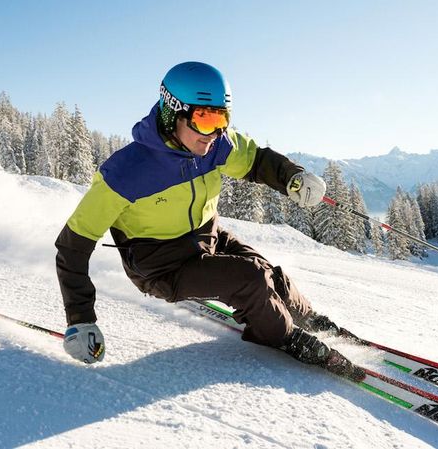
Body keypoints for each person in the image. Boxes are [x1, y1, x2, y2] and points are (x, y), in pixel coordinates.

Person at [55, 61, 364, 381]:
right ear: (172, 113)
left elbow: (257, 161)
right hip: (161, 266)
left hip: (206, 238)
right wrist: (80, 319)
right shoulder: (126, 172)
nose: (215, 133)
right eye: (205, 119)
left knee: (266, 270)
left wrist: (292, 178)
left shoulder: (217, 146)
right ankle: (283, 336)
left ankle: (306, 317)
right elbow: (72, 246)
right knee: (251, 278)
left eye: (222, 119)